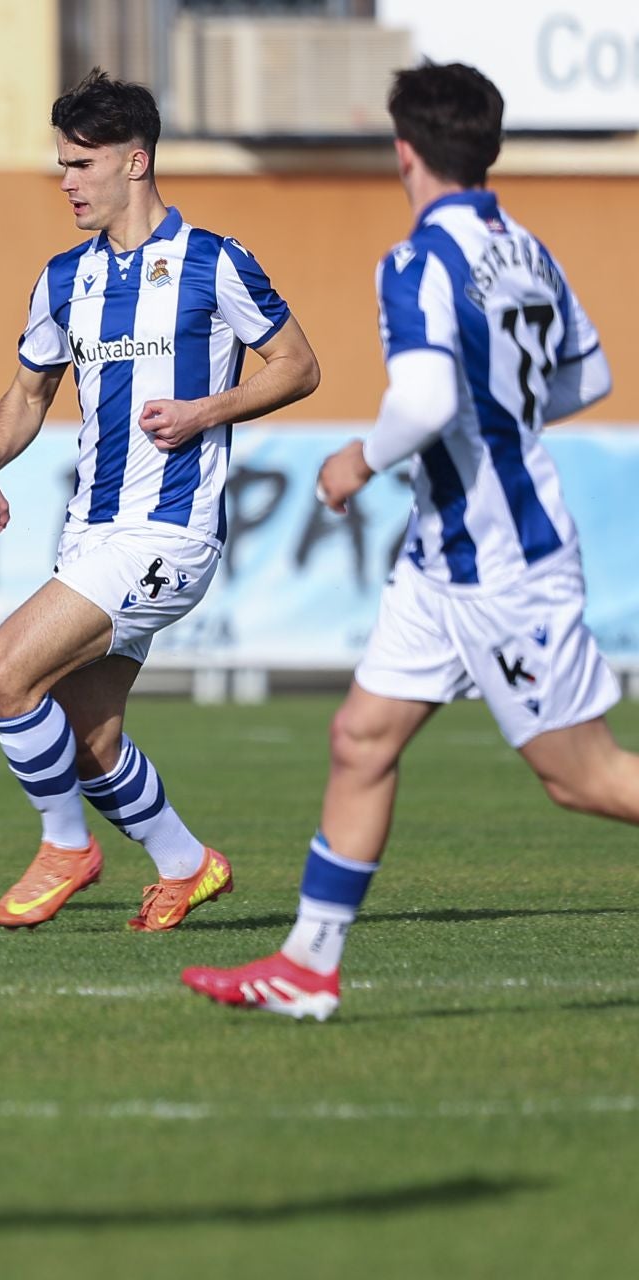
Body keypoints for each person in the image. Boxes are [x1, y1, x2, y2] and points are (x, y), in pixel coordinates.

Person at [182, 62, 631, 1020]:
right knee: (361, 738)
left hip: (500, 561)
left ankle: (308, 962)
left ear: (405, 152)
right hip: (444, 557)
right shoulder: (526, 248)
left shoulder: (417, 261)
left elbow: (424, 399)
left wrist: (358, 459)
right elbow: (585, 377)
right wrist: (501, 419)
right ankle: (308, 965)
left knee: (584, 779)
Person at [0, 69, 320, 932]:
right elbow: (28, 392)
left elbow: (299, 367)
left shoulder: (215, 261)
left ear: (136, 161)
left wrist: (207, 409)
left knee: (4, 672)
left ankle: (65, 847)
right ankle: (187, 864)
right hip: (92, 531)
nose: (67, 182)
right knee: (90, 742)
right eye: (61, 164)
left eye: (81, 164)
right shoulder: (63, 279)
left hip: (169, 531)